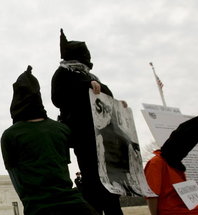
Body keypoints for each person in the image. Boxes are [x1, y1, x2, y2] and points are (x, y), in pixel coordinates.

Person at [1, 66, 97, 215]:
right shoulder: (61, 129)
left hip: (39, 208)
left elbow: (17, 181)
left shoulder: (10, 135)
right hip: (77, 205)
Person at [51, 28, 123, 215]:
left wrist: (117, 104)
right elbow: (57, 97)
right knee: (92, 178)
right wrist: (85, 86)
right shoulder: (62, 73)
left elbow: (106, 94)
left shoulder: (91, 76)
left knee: (110, 179)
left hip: (104, 135)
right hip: (83, 135)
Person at [145, 109, 198, 215]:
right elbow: (152, 194)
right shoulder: (156, 162)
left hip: (185, 206)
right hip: (170, 210)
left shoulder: (175, 163)